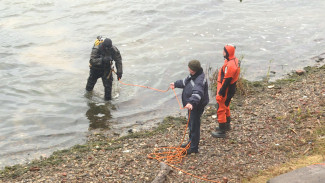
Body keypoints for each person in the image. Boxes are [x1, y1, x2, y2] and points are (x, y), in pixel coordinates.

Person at [170, 60, 209, 155]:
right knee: (191, 124)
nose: (188, 69)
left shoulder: (200, 80)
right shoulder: (192, 75)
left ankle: (193, 148)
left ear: (192, 70)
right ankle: (190, 142)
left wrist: (191, 103)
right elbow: (184, 82)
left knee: (194, 126)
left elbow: (198, 93)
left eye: (189, 68)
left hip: (196, 106)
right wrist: (175, 84)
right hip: (192, 106)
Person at [211, 44, 240, 138]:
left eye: (224, 51)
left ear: (228, 52)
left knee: (220, 108)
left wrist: (220, 93)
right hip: (231, 88)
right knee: (226, 106)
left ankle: (222, 130)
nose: (222, 52)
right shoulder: (235, 60)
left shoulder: (230, 65)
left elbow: (226, 81)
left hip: (226, 89)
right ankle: (227, 125)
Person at [85, 36, 123, 100]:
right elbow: (92, 60)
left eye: (109, 48)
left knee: (108, 90)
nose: (107, 49)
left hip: (107, 70)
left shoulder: (113, 49)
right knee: (89, 88)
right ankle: (87, 100)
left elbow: (118, 60)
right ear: (103, 46)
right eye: (106, 48)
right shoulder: (96, 49)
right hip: (95, 69)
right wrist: (102, 60)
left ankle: (108, 105)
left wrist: (119, 72)